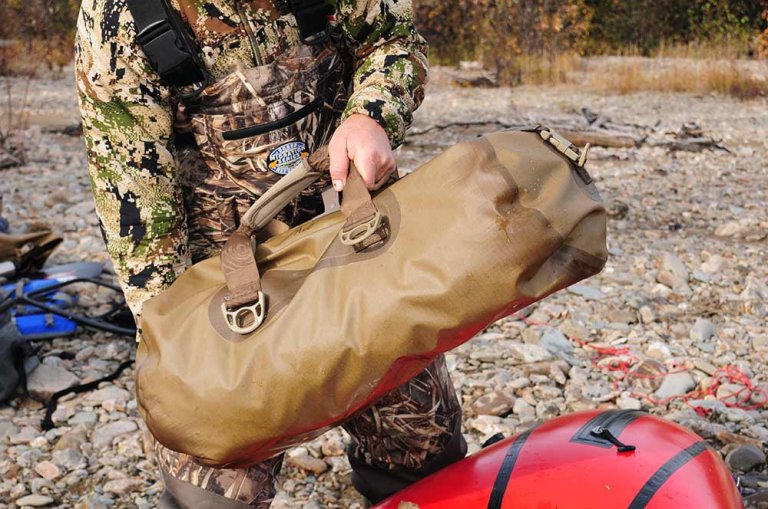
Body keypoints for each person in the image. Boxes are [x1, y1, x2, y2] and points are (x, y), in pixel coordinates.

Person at [75, 1, 466, 507]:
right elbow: (138, 210)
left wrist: (372, 115)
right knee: (212, 489)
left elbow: (393, 39)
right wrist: (178, 348)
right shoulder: (120, 15)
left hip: (358, 249)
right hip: (226, 300)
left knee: (426, 454)